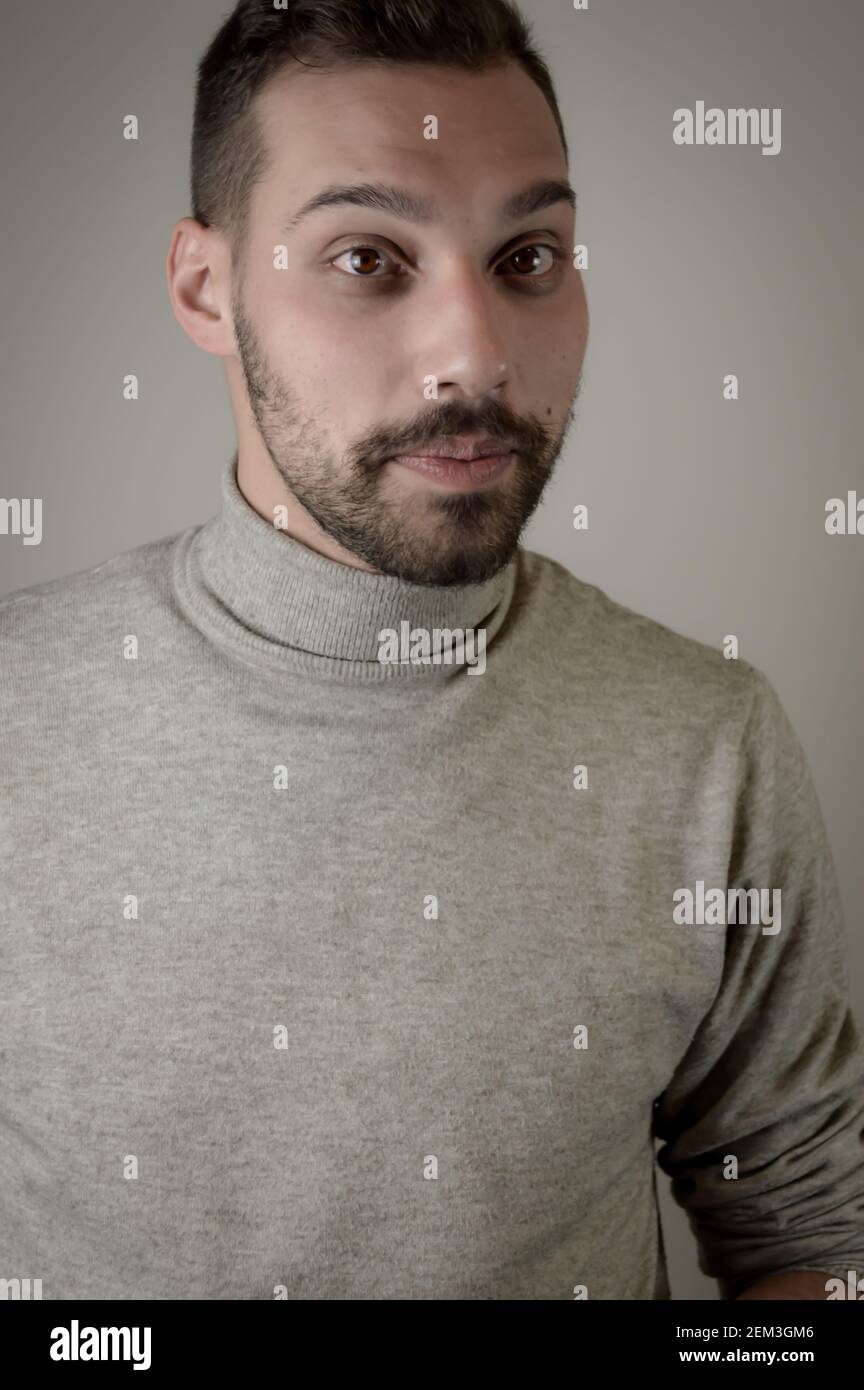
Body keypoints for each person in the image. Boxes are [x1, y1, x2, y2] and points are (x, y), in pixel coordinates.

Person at [1, 0, 862, 1301]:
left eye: (528, 257)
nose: (476, 355)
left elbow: (812, 1233)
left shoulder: (708, 740)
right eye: (366, 258)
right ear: (203, 285)